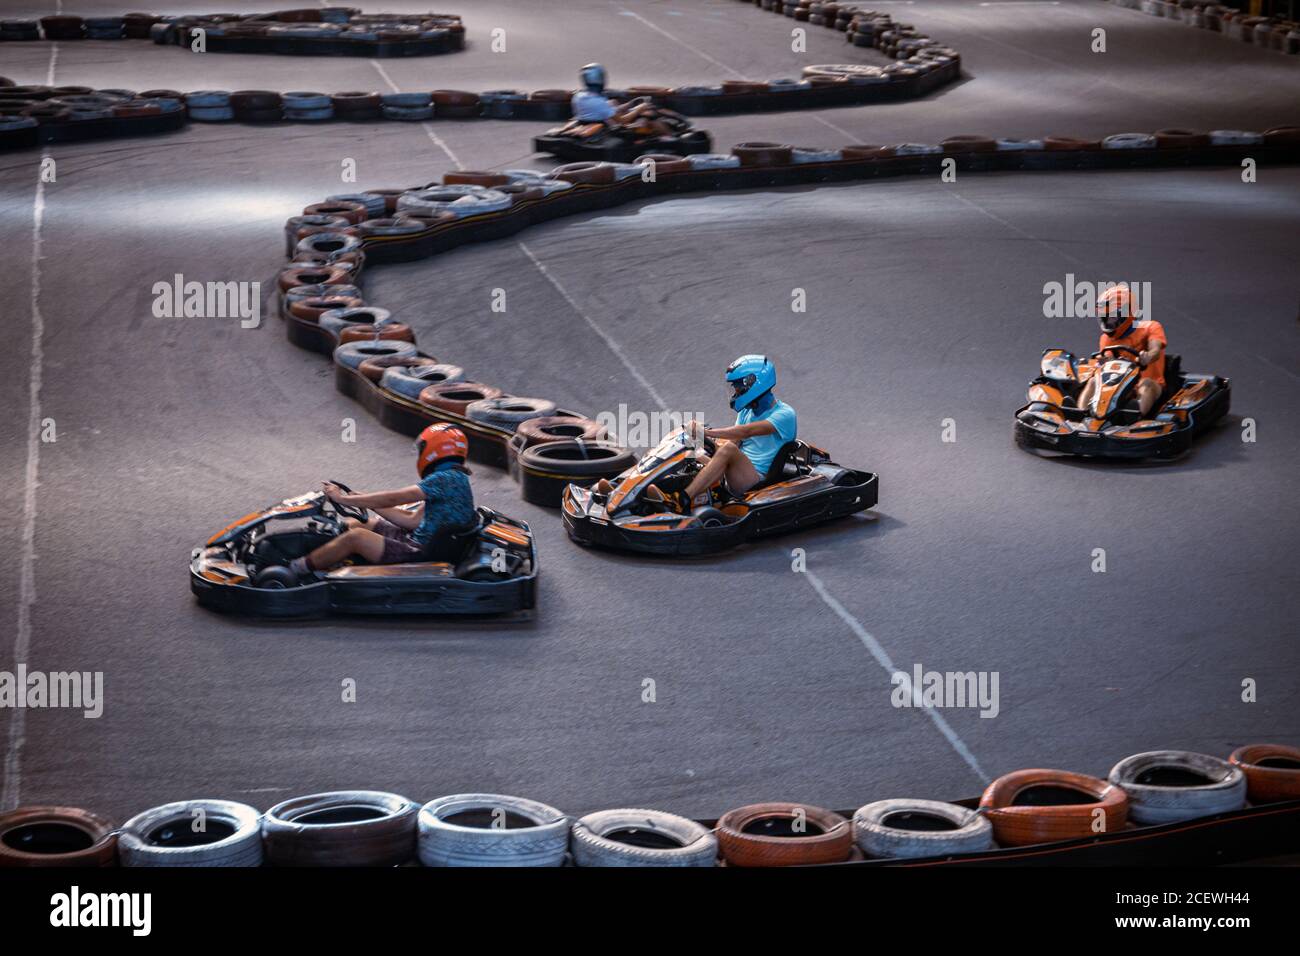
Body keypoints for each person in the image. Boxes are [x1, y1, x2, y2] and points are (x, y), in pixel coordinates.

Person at [595, 355, 797, 513]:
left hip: (755, 480)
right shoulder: (747, 412)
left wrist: (707, 432)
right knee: (683, 444)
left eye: (738, 386)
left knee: (724, 449)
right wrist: (700, 439)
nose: (735, 392)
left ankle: (681, 500)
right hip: (735, 469)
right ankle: (621, 488)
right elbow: (734, 441)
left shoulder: (784, 414)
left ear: (755, 383)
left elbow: (747, 431)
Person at [287, 423, 476, 578]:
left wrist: (343, 499)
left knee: (356, 537)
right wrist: (357, 497)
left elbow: (395, 497)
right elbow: (411, 520)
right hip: (420, 540)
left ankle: (295, 570)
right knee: (354, 524)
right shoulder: (455, 478)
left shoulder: (445, 479)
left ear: (434, 450)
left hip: (420, 553)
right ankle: (328, 561)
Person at [1078, 284, 1167, 417]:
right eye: (1104, 317)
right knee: (1093, 381)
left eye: (1112, 317)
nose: (1107, 322)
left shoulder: (1150, 327)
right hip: (1119, 387)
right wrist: (1102, 364)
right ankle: (1080, 415)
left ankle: (1134, 416)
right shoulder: (1105, 339)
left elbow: (1155, 349)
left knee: (1146, 384)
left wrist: (1147, 357)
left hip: (1150, 383)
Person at [570, 62, 671, 137]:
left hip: (592, 122)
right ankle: (669, 138)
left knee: (613, 102)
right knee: (649, 117)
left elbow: (603, 110)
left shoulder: (578, 96)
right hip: (611, 130)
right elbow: (623, 121)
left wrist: (629, 104)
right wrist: (639, 109)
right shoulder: (598, 102)